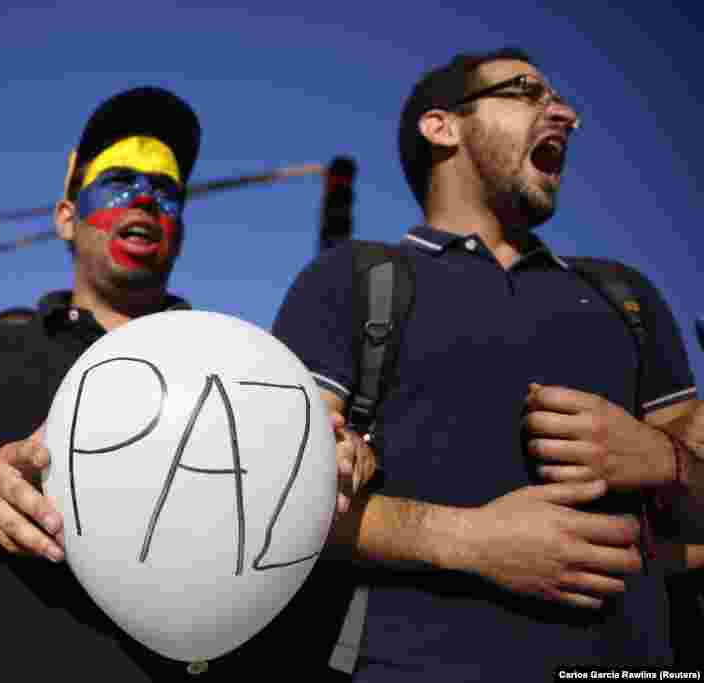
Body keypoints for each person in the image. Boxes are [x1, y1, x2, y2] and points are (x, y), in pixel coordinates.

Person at [0, 86, 369, 682]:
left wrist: (330, 462)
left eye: (166, 191)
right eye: (119, 181)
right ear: (66, 218)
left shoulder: (234, 370)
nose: (145, 198)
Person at [272, 48, 700, 681]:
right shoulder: (354, 279)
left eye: (559, 100)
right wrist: (468, 541)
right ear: (442, 126)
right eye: (526, 90)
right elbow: (268, 499)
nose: (565, 114)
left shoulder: (627, 297)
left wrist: (662, 462)